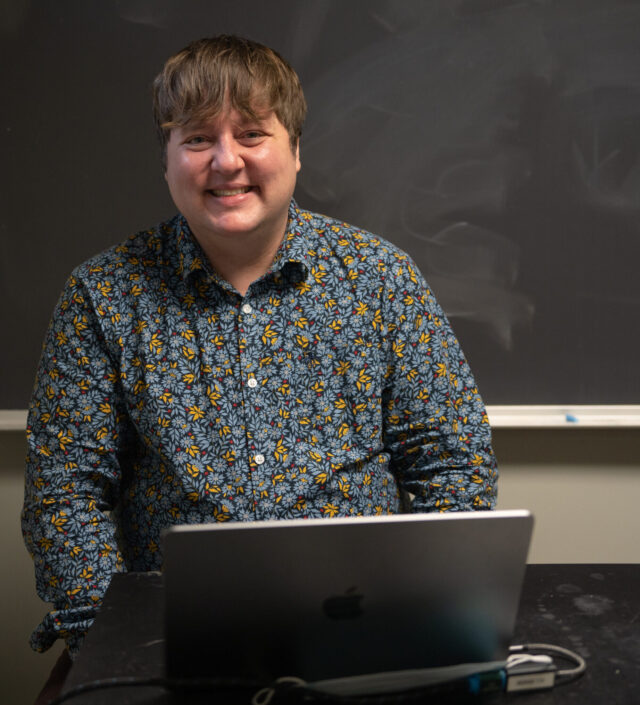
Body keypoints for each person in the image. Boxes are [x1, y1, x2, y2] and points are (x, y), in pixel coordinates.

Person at [22, 34, 498, 665]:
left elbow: (453, 465)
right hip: (167, 641)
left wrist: (421, 615)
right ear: (166, 161)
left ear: (296, 150)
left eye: (252, 134)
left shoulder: (382, 280)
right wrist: (117, 645)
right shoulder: (102, 295)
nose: (226, 161)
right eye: (197, 139)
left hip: (363, 630)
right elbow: (64, 493)